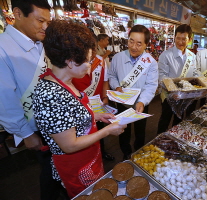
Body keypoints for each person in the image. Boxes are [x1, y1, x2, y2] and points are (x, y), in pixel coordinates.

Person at [32, 20, 126, 198]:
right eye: (87, 61)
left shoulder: (65, 82)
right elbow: (69, 145)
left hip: (88, 158)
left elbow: (72, 116)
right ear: (70, 61)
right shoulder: (50, 95)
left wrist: (96, 116)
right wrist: (106, 132)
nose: (90, 68)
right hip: (74, 166)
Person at [0, 1, 65, 199]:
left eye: (48, 21)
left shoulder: (40, 43)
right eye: (40, 21)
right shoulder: (3, 49)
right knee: (50, 173)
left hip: (53, 121)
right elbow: (4, 100)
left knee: (60, 169)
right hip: (34, 127)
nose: (45, 27)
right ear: (18, 14)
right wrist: (26, 133)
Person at [108, 25, 158, 160]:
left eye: (139, 43)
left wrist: (142, 101)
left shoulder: (150, 62)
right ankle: (126, 153)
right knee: (123, 130)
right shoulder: (118, 57)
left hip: (141, 103)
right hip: (122, 102)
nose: (134, 47)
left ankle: (138, 151)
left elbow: (151, 85)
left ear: (146, 45)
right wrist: (116, 86)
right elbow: (111, 76)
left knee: (140, 131)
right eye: (131, 41)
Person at [72, 38, 115, 161]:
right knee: (84, 132)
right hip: (80, 107)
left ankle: (101, 153)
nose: (93, 54)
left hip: (97, 104)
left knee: (99, 130)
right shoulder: (73, 64)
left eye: (95, 49)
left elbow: (105, 81)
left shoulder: (101, 62)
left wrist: (105, 97)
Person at [156, 24, 198, 134]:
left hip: (185, 95)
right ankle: (158, 143)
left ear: (189, 40)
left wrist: (202, 81)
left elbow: (194, 73)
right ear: (174, 38)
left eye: (184, 39)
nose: (180, 42)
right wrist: (173, 90)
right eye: (178, 38)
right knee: (165, 119)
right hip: (169, 94)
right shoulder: (166, 55)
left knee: (179, 119)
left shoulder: (192, 56)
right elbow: (161, 76)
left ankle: (174, 141)